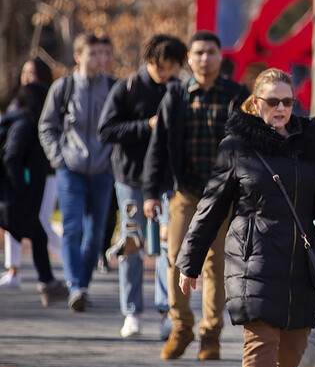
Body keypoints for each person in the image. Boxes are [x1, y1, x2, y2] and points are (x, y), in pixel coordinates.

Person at [177, 68, 315, 367]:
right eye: (272, 101)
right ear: (256, 103)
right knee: (261, 338)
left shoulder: (311, 144)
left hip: (301, 259)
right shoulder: (236, 147)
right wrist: (189, 262)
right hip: (252, 256)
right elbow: (210, 208)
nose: (280, 108)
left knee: (295, 344)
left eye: (287, 101)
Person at [143, 30, 249, 360]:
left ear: (221, 57)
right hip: (185, 191)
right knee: (176, 258)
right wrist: (150, 192)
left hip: (223, 194)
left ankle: (210, 334)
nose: (205, 58)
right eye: (198, 52)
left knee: (216, 265)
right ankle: (181, 326)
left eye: (211, 52)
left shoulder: (236, 94)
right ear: (189, 58)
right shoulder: (176, 95)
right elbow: (158, 146)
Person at [98, 33, 186, 339]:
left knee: (167, 246)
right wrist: (146, 125)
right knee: (132, 243)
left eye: (170, 66)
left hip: (168, 180)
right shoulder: (128, 87)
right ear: (147, 60)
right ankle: (132, 311)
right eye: (157, 65)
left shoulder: (179, 90)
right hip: (131, 177)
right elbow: (106, 130)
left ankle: (166, 310)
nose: (162, 72)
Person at [37, 32, 116, 312]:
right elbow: (47, 126)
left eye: (103, 53)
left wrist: (112, 161)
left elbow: (121, 129)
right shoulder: (64, 87)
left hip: (103, 171)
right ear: (78, 56)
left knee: (95, 234)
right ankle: (76, 286)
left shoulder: (114, 88)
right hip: (70, 169)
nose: (100, 59)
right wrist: (59, 158)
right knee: (73, 228)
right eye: (93, 53)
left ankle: (81, 284)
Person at [2, 82, 68, 305]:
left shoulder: (24, 122)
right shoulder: (23, 125)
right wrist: (20, 187)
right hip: (12, 197)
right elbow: (12, 157)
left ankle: (48, 285)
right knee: (38, 235)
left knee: (38, 235)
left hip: (15, 197)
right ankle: (48, 284)